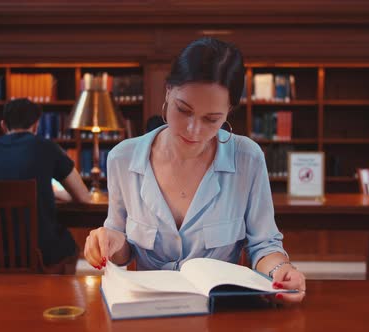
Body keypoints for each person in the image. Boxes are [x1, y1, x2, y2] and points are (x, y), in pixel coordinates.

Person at [84, 37, 305, 303]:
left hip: (219, 311)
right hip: (149, 311)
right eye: (183, 110)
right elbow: (122, 247)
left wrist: (282, 271)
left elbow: (263, 245)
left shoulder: (248, 158)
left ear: (228, 113)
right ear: (168, 91)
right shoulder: (123, 158)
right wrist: (109, 242)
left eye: (211, 119)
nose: (193, 129)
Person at [0, 98, 91, 269]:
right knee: (70, 247)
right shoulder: (47, 148)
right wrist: (52, 192)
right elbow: (83, 197)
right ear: (36, 126)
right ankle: (59, 293)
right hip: (39, 255)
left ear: (3, 125)